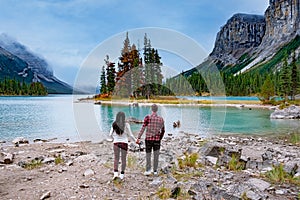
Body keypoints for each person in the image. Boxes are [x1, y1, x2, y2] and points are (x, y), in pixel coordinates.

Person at [136, 104, 165, 176]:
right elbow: (163, 130)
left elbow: (143, 128)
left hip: (148, 139)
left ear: (152, 109)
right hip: (157, 139)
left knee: (148, 154)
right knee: (156, 155)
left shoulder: (147, 118)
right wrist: (160, 138)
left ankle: (148, 170)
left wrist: (138, 137)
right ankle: (155, 171)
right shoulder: (161, 119)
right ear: (157, 110)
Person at [109, 111, 136, 180]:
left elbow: (110, 134)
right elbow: (130, 135)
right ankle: (122, 175)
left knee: (116, 158)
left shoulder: (114, 124)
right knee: (123, 159)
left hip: (116, 143)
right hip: (124, 143)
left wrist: (114, 138)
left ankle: (115, 174)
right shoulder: (126, 124)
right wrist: (136, 141)